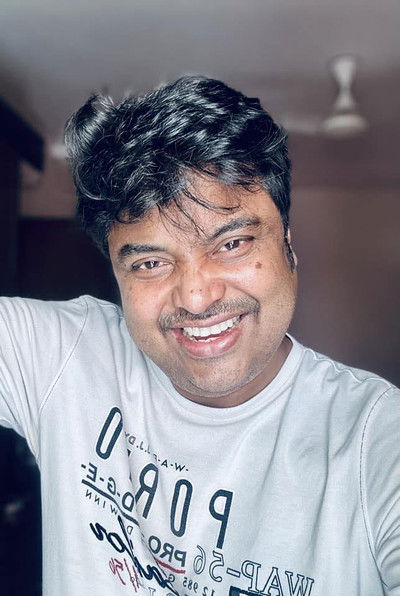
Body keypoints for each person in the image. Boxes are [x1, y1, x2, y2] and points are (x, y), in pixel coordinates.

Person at [0, 76, 399, 596]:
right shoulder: (60, 356)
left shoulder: (376, 438)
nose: (195, 296)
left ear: (288, 246)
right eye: (150, 262)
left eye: (232, 244)